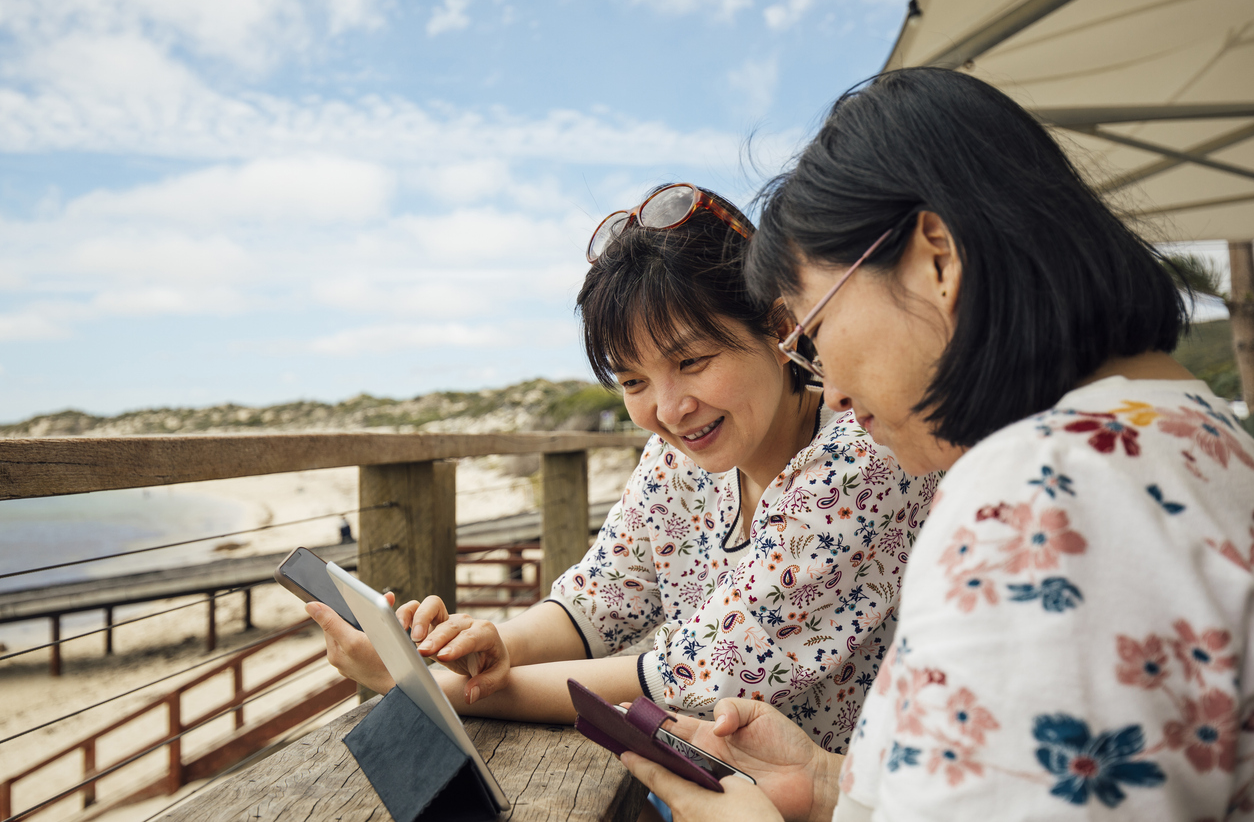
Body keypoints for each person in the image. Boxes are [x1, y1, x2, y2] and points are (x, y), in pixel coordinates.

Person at [620, 68, 1254, 821]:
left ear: (937, 259)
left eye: (817, 329)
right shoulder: (1197, 432)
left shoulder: (1039, 496)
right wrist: (831, 784)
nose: (832, 388)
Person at [308, 182, 935, 753]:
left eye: (691, 361)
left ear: (778, 328)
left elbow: (696, 674)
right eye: (633, 380)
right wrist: (488, 646)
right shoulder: (679, 453)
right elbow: (603, 594)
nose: (669, 408)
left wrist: (422, 685)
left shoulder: (866, 454)